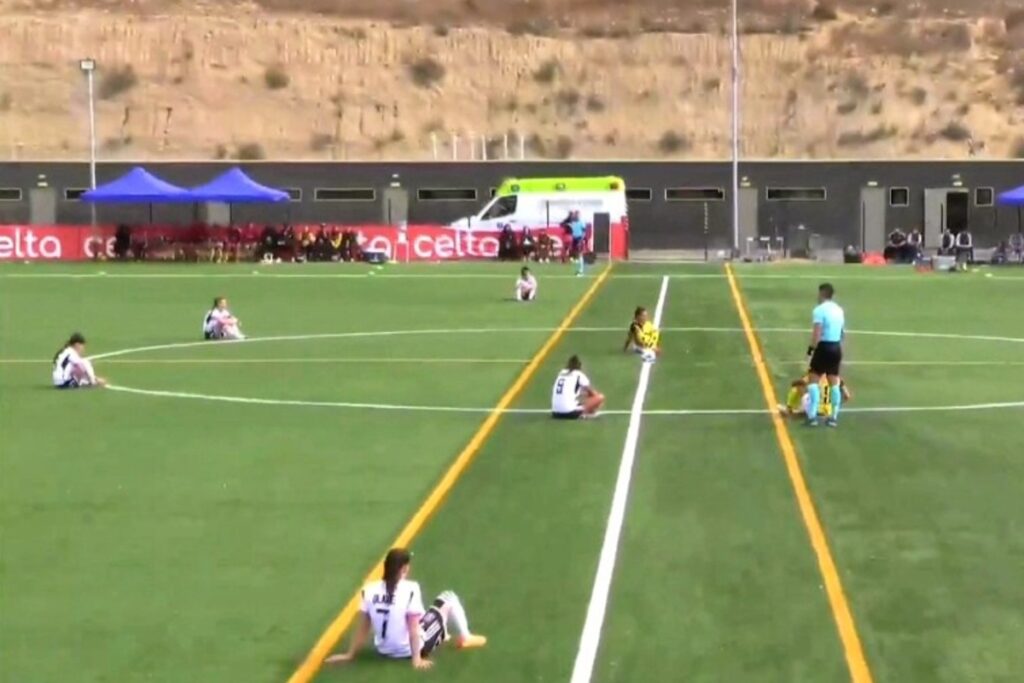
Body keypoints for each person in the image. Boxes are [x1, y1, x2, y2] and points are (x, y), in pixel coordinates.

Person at [325, 548, 486, 670]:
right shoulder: (410, 589)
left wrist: (350, 654)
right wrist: (417, 659)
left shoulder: (369, 589)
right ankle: (466, 637)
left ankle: (441, 632)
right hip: (407, 649)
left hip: (383, 648)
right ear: (404, 569)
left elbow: (363, 627)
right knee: (448, 598)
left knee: (430, 618)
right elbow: (413, 627)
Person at [805, 283, 845, 427]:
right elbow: (842, 333)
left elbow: (817, 333)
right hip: (836, 347)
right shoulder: (839, 310)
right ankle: (833, 417)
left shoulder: (819, 310)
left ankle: (812, 417)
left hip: (824, 347)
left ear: (822, 294)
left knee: (813, 378)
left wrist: (810, 351)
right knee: (834, 381)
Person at [551, 355, 605, 419]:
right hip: (569, 413)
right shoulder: (578, 374)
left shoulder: (561, 372)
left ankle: (580, 410)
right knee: (600, 397)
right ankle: (584, 414)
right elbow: (593, 394)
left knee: (579, 401)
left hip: (555, 413)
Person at [779, 373, 852, 419]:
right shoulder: (836, 378)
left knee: (796, 388)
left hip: (815, 407)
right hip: (828, 411)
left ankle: (789, 410)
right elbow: (847, 396)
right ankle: (805, 411)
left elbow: (799, 383)